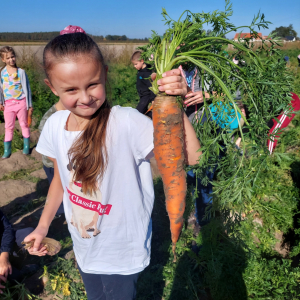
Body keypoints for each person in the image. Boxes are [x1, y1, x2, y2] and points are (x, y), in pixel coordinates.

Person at [24, 26, 201, 300]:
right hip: (85, 250)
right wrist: (43, 226)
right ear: (51, 87)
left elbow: (192, 158)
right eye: (71, 89)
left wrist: (175, 105)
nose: (85, 97)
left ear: (105, 74)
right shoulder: (54, 126)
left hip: (122, 254)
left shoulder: (126, 122)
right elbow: (60, 182)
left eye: (92, 84)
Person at [0, 46, 33, 159]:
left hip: (21, 103)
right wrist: (1, 101)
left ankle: (26, 147)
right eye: (8, 58)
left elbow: (27, 89)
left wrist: (30, 105)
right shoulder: (1, 72)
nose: (11, 60)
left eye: (12, 56)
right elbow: (0, 89)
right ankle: (7, 151)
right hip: (8, 105)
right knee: (9, 127)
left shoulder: (21, 72)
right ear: (3, 60)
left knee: (24, 124)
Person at [38, 99, 65, 215]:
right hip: (53, 164)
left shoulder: (69, 112)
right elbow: (51, 153)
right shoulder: (50, 119)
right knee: (59, 191)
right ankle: (60, 214)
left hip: (64, 163)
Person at [0, 209, 35, 294]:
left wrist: (4, 254)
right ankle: (20, 269)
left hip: (3, 242)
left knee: (30, 235)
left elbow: (7, 229)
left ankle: (14, 258)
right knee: (15, 277)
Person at [131, 51, 155, 118]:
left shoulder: (147, 73)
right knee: (144, 111)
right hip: (142, 95)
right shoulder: (140, 71)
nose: (134, 66)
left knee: (138, 111)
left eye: (136, 64)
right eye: (134, 64)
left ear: (142, 61)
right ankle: (155, 117)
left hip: (146, 96)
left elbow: (151, 86)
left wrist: (153, 99)